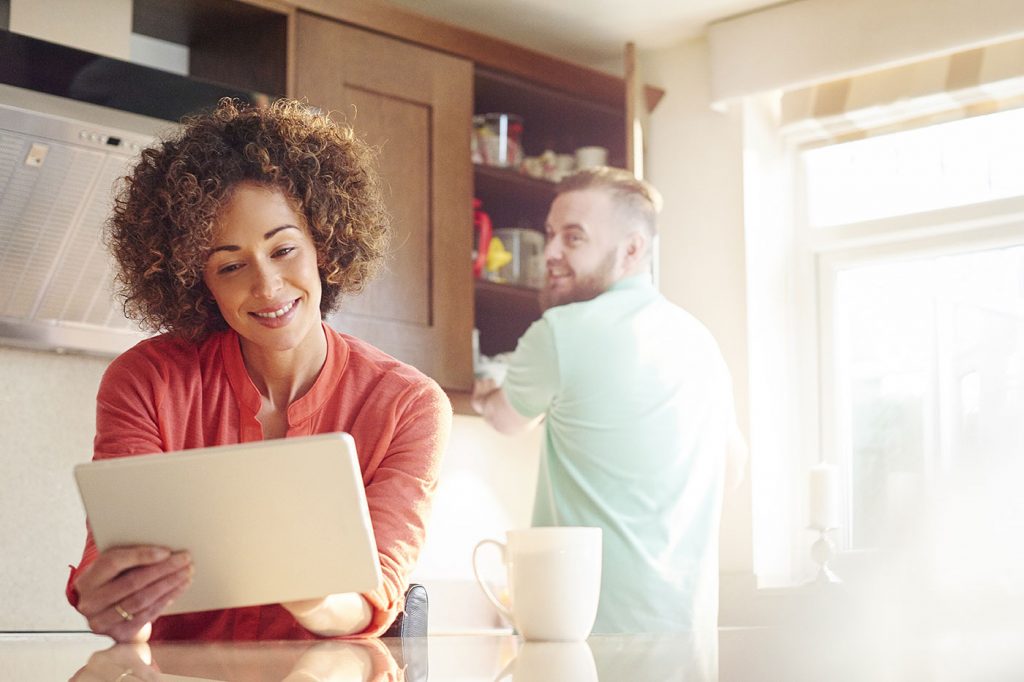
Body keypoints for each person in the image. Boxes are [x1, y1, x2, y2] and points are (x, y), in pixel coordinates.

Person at [66, 98, 451, 643]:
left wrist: (312, 591)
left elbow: (374, 597)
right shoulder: (146, 381)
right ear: (197, 281)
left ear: (325, 243)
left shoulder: (408, 404)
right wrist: (117, 605)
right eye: (230, 265)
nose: (267, 286)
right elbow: (113, 567)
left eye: (284, 249)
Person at [472, 167, 745, 634]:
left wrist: (484, 390)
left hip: (589, 641)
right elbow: (732, 469)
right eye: (551, 234)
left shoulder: (562, 332)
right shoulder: (699, 341)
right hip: (687, 638)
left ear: (633, 249)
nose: (551, 252)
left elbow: (506, 419)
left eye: (573, 238)